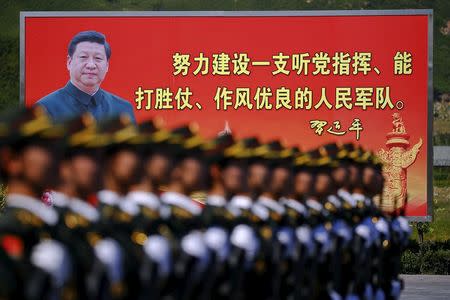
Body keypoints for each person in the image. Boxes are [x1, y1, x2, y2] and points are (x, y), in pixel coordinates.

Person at [36, 31, 136, 124]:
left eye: (98, 58)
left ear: (107, 66)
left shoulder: (122, 108)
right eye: (83, 57)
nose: (91, 65)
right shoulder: (44, 109)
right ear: (69, 62)